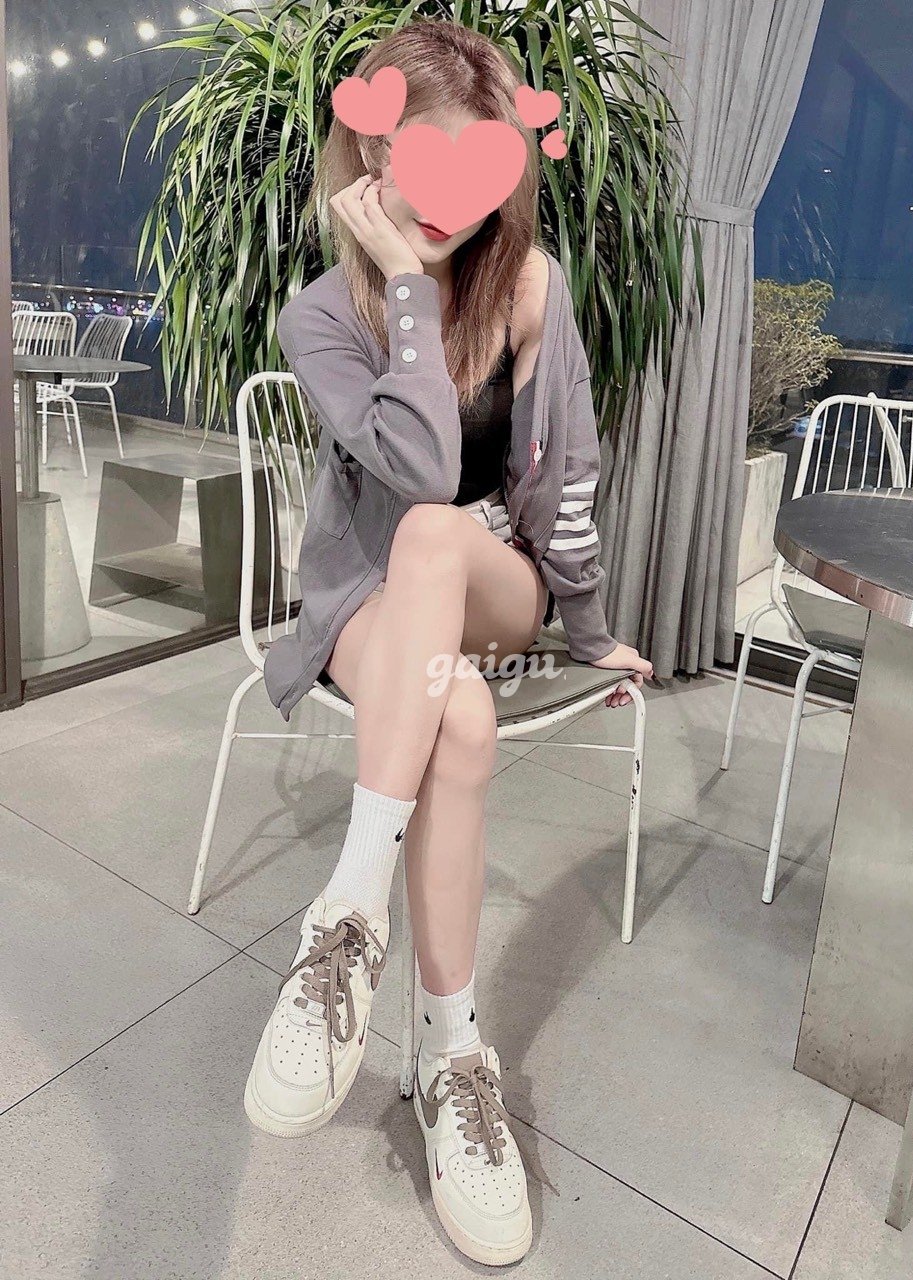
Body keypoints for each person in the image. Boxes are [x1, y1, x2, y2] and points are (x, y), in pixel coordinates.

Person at [247, 19, 652, 1266]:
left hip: (492, 585)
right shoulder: (322, 314)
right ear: (372, 155)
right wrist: (410, 291)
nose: (450, 201)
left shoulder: (530, 286)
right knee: (461, 716)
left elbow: (563, 475)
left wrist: (589, 629)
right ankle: (450, 1049)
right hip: (369, 602)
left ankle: (346, 914)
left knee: (440, 534)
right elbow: (420, 460)